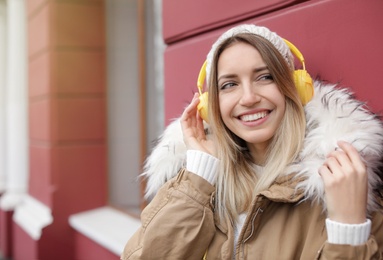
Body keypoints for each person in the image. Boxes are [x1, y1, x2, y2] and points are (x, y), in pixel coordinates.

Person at [121, 24, 383, 259]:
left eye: (264, 77)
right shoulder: (195, 181)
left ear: (295, 88)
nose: (248, 98)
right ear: (210, 107)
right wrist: (198, 177)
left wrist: (348, 230)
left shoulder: (344, 182)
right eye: (229, 85)